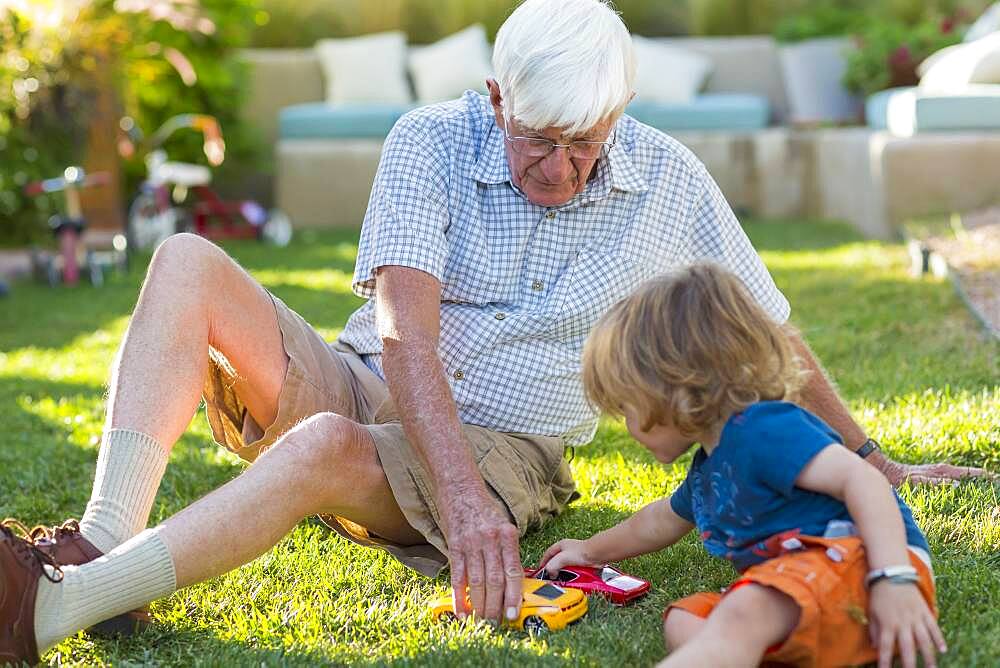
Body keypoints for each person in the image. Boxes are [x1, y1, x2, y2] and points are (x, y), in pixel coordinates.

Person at [0, 0, 980, 663]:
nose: (559, 168)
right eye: (536, 141)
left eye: (584, 144)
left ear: (620, 113)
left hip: (507, 439)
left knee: (328, 447)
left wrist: (873, 460)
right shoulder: (429, 139)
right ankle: (98, 549)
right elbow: (403, 337)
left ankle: (57, 607)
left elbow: (773, 332)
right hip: (361, 373)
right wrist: (459, 510)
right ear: (497, 98)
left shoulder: (668, 175)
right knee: (185, 262)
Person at [539, 263, 945, 668]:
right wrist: (588, 551)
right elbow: (658, 521)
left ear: (673, 386)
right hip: (803, 589)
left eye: (626, 408)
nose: (626, 427)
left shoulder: (763, 428)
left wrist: (894, 578)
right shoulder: (708, 469)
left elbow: (864, 481)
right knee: (684, 620)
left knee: (743, 609)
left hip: (868, 567)